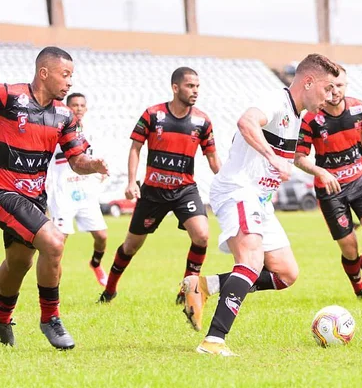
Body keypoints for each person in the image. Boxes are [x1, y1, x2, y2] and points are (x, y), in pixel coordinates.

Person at [181, 53, 340, 356]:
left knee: (285, 274)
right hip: (238, 191)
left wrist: (312, 168)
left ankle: (204, 285)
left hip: (260, 201)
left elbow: (288, 155)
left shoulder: (296, 117)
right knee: (251, 261)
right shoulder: (276, 101)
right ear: (309, 82)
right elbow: (246, 121)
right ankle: (213, 341)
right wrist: (271, 156)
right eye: (327, 88)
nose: (331, 97)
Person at [0, 46, 109, 349]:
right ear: (44, 73)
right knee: (54, 241)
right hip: (4, 191)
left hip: (34, 197)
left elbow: (76, 159)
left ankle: (1, 317)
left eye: (72, 75)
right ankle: (51, 318)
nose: (70, 81)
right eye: (65, 74)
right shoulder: (10, 96)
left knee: (19, 262)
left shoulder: (64, 115)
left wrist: (93, 165)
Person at [98, 67, 221, 303]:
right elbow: (135, 147)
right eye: (189, 86)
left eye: (197, 86)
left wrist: (229, 183)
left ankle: (186, 291)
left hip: (185, 190)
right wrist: (131, 181)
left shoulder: (202, 121)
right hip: (153, 192)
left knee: (202, 236)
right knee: (131, 246)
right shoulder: (153, 115)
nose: (195, 91)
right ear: (175, 88)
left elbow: (213, 159)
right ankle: (110, 289)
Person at [294, 66, 362, 302]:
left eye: (340, 85)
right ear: (322, 88)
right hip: (331, 190)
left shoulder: (358, 107)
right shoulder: (311, 118)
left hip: (360, 180)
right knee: (348, 246)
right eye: (330, 86)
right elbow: (299, 157)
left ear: (346, 85)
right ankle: (359, 290)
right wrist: (321, 172)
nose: (335, 91)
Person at [46, 93, 109, 286]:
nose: (79, 108)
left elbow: (97, 158)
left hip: (85, 193)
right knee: (59, 243)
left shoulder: (91, 134)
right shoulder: (55, 131)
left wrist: (101, 172)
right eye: (74, 105)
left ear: (86, 108)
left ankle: (95, 263)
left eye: (82, 105)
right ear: (67, 108)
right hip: (63, 193)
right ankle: (53, 286)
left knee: (102, 237)